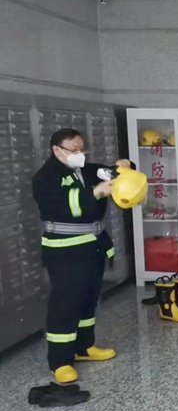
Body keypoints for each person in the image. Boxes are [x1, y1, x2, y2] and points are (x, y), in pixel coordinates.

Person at [32, 128, 131, 383]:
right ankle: (60, 361)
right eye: (73, 150)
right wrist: (96, 193)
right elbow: (63, 205)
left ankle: (84, 347)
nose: (80, 153)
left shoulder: (85, 169)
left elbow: (111, 173)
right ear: (57, 150)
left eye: (82, 148)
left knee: (88, 298)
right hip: (65, 248)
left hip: (91, 244)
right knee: (66, 302)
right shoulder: (45, 178)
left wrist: (123, 166)